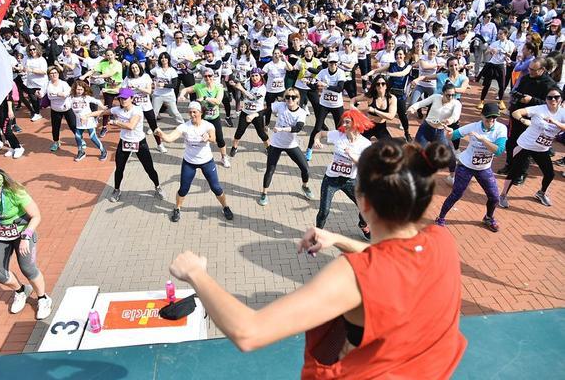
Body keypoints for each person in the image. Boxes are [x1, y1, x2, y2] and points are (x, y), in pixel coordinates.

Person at [168, 139, 464, 379]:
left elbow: (249, 332)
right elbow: (392, 263)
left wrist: (197, 273)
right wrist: (338, 239)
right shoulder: (442, 241)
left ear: (363, 201)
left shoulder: (352, 275)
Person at [0, 167, 52, 320]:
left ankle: (43, 299)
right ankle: (21, 291)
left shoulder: (16, 191)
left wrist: (26, 237)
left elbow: (36, 216)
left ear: (2, 185)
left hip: (22, 232)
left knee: (28, 269)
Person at [154, 101, 234, 222]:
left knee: (216, 187)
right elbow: (170, 139)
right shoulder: (184, 127)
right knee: (183, 189)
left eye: (194, 112)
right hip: (189, 162)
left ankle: (225, 207)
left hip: (207, 161)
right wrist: (161, 134)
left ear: (201, 113)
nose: (192, 114)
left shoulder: (208, 126)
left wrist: (208, 138)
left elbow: (214, 139)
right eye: (190, 112)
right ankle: (177, 208)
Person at [436, 103, 507, 232]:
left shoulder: (501, 129)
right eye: (488, 117)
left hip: (484, 168)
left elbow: (499, 151)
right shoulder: (473, 126)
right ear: (482, 116)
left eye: (494, 118)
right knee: (456, 194)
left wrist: (482, 139)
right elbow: (453, 135)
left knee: (494, 197)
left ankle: (488, 218)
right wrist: (450, 133)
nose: (491, 121)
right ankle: (440, 218)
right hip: (466, 166)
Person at [90, 88, 164, 203]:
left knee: (149, 168)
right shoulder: (117, 109)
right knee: (119, 168)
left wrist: (115, 122)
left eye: (125, 98)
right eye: (120, 98)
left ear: (132, 99)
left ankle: (158, 187)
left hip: (139, 143)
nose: (122, 100)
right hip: (124, 142)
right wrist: (88, 115)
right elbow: (102, 112)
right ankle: (116, 189)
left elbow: (131, 126)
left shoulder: (137, 110)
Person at [498, 87, 564, 208]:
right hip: (526, 145)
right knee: (515, 172)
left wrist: (554, 122)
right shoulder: (539, 109)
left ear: (561, 99)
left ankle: (541, 193)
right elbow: (515, 112)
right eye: (550, 97)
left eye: (556, 97)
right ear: (546, 99)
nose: (553, 99)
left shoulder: (562, 113)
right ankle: (502, 195)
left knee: (550, 174)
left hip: (542, 148)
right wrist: (523, 120)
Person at [316, 109, 373, 240]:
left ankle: (363, 225)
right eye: (344, 122)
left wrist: (351, 155)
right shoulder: (338, 135)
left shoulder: (365, 143)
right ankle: (317, 232)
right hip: (331, 179)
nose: (344, 125)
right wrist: (317, 141)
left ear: (356, 123)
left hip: (350, 181)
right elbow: (321, 133)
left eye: (348, 122)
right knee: (324, 211)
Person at [258, 88, 313, 206]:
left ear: (298, 99)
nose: (290, 99)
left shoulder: (301, 113)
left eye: (293, 97)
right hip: (276, 144)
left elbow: (298, 128)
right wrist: (254, 115)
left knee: (305, 168)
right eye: (287, 97)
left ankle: (305, 186)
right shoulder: (281, 105)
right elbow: (266, 111)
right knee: (270, 169)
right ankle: (264, 193)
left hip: (291, 145)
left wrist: (282, 129)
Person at [179, 68, 230, 168]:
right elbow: (185, 89)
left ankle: (224, 157)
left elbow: (218, 101)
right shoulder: (199, 87)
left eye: (209, 76)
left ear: (213, 76)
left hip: (214, 117)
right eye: (205, 76)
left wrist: (205, 98)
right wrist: (181, 95)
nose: (207, 78)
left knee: (219, 139)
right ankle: (197, 158)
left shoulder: (219, 88)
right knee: (198, 137)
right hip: (203, 118)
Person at [363, 47, 413, 141]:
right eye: (397, 54)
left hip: (400, 94)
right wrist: (367, 74)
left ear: (404, 55)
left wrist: (389, 74)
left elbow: (402, 74)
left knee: (402, 116)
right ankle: (379, 131)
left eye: (401, 54)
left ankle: (406, 132)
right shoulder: (391, 65)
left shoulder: (408, 66)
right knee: (383, 112)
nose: (399, 56)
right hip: (389, 93)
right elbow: (377, 70)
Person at [306, 53, 348, 161]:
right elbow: (316, 85)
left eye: (334, 63)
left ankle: (342, 150)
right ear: (328, 63)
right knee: (317, 127)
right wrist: (310, 84)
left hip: (337, 105)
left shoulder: (340, 73)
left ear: (337, 63)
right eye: (331, 63)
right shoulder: (323, 72)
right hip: (324, 104)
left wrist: (326, 86)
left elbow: (339, 88)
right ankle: (309, 149)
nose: (333, 65)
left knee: (340, 128)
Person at [122, 62, 167, 153]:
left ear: (140, 67)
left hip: (146, 106)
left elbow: (149, 91)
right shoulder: (128, 79)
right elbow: (124, 92)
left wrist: (138, 88)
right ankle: (132, 146)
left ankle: (159, 144)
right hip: (134, 107)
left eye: (136, 67)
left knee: (154, 126)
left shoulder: (146, 76)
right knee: (133, 127)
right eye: (133, 68)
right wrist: (129, 92)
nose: (135, 69)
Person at [79, 49, 123, 138]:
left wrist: (99, 76)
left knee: (124, 106)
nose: (110, 56)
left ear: (114, 55)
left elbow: (111, 73)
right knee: (107, 108)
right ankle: (104, 127)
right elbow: (92, 70)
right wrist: (84, 76)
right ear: (106, 56)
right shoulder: (103, 64)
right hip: (108, 89)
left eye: (111, 54)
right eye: (108, 55)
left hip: (118, 88)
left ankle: (125, 124)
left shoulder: (118, 64)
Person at [229, 68, 270, 157]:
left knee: (261, 133)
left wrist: (241, 89)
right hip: (245, 112)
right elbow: (241, 86)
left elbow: (253, 98)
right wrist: (234, 85)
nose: (254, 78)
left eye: (256, 75)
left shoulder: (262, 88)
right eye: (252, 76)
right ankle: (234, 147)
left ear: (260, 76)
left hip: (256, 114)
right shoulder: (248, 82)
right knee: (239, 131)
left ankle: (268, 147)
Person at [69, 80, 108, 162]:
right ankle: (81, 152)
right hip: (79, 121)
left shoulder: (86, 98)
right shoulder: (71, 98)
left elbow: (96, 101)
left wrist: (103, 107)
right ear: (74, 89)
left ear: (84, 90)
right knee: (77, 136)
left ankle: (103, 150)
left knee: (92, 137)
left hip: (88, 120)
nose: (79, 91)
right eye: (78, 89)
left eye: (81, 90)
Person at [352, 75, 397, 140]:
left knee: (389, 146)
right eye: (378, 84)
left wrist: (374, 111)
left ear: (386, 86)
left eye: (383, 84)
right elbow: (354, 99)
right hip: (368, 125)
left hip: (381, 127)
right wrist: (352, 106)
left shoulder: (391, 98)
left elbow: (391, 116)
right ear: (375, 86)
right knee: (359, 145)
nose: (380, 86)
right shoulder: (370, 96)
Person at [46, 66, 76, 153]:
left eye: (55, 73)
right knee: (55, 128)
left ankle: (80, 139)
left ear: (58, 74)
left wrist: (59, 94)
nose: (53, 75)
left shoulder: (63, 83)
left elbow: (67, 94)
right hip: (55, 109)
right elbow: (47, 95)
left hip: (67, 108)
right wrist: (39, 93)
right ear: (49, 75)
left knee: (73, 125)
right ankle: (56, 142)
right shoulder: (47, 84)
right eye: (51, 73)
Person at [24, 42, 48, 122]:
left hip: (40, 83)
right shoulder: (28, 59)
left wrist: (32, 70)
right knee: (33, 99)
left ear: (37, 49)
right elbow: (25, 68)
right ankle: (37, 113)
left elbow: (44, 72)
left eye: (34, 49)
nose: (32, 51)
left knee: (39, 99)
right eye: (30, 50)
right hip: (30, 83)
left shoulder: (41, 59)